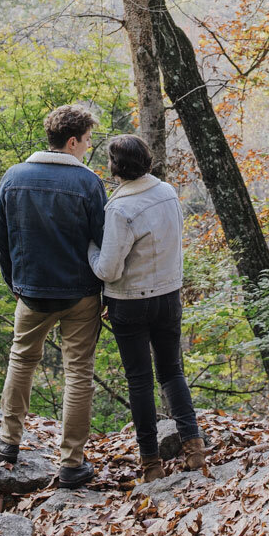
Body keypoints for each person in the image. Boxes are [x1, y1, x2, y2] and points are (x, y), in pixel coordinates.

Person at [0, 104, 106, 488]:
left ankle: (8, 442)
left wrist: (17, 283)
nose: (88, 148)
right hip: (80, 294)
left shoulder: (14, 177)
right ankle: (72, 463)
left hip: (32, 292)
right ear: (72, 141)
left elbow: (1, 240)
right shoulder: (89, 183)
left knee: (21, 361)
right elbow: (103, 242)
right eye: (88, 141)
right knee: (78, 373)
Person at [89, 134, 205, 483]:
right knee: (172, 372)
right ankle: (194, 447)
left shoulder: (120, 209)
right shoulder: (168, 193)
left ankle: (151, 463)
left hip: (129, 302)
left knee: (139, 380)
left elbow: (109, 269)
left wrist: (91, 249)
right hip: (169, 294)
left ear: (115, 167)